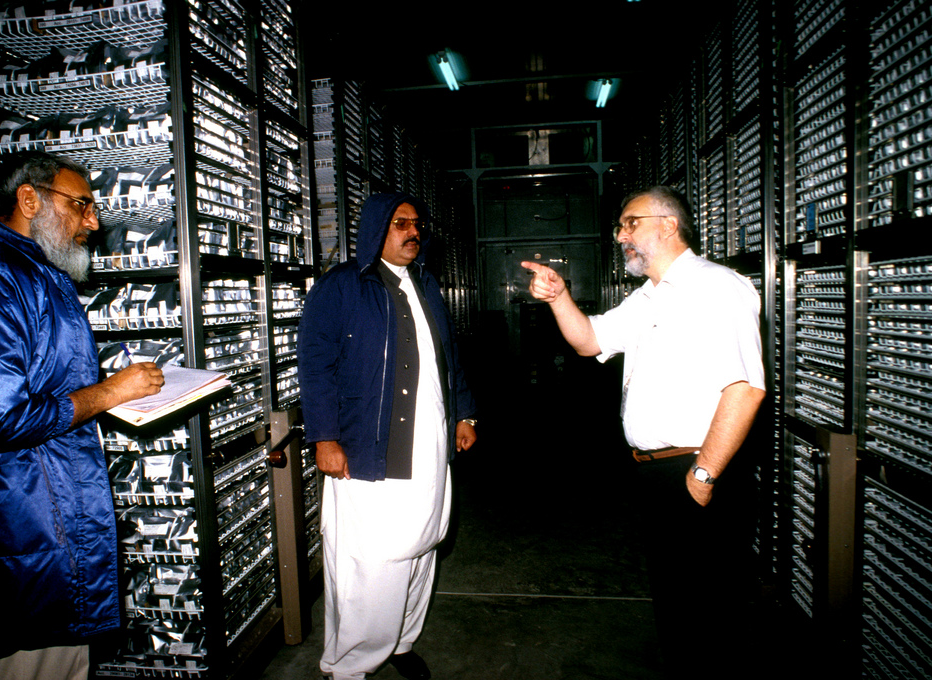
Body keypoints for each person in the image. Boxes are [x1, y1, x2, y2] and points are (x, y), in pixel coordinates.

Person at [521, 185, 766, 679]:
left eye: (630, 223)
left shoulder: (715, 288)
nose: (620, 235)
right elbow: (590, 341)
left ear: (669, 225)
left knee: (712, 614)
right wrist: (560, 297)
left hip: (697, 468)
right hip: (658, 474)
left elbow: (745, 390)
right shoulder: (650, 297)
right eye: (620, 227)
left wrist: (703, 476)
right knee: (678, 608)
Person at [0, 151, 165, 679]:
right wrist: (107, 393)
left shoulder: (30, 272)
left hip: (44, 519)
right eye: (81, 204)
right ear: (29, 199)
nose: (94, 221)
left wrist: (111, 391)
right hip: (22, 530)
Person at [298, 192, 478, 680]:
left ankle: (400, 641)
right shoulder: (342, 287)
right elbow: (315, 366)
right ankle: (349, 665)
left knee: (421, 547)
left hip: (430, 446)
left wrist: (465, 414)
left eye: (417, 224)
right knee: (372, 561)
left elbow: (449, 356)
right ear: (377, 228)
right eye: (401, 223)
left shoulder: (427, 284)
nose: (413, 232)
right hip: (367, 447)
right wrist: (324, 437)